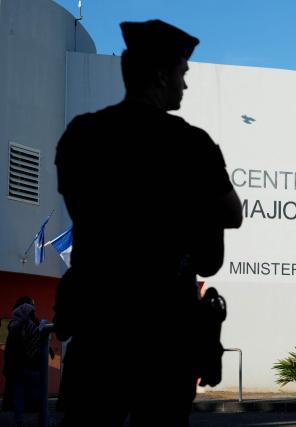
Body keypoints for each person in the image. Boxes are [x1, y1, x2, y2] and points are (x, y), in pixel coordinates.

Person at [54, 19, 242, 426]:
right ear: (160, 75)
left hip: (98, 324)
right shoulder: (192, 144)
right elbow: (233, 213)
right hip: (164, 331)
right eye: (182, 74)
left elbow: (79, 206)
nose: (185, 86)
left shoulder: (81, 136)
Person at [2, 297, 42, 427]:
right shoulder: (33, 325)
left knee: (19, 394)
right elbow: (39, 342)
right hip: (29, 366)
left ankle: (19, 419)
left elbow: (11, 350)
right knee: (37, 391)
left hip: (18, 367)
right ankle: (41, 417)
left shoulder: (14, 326)